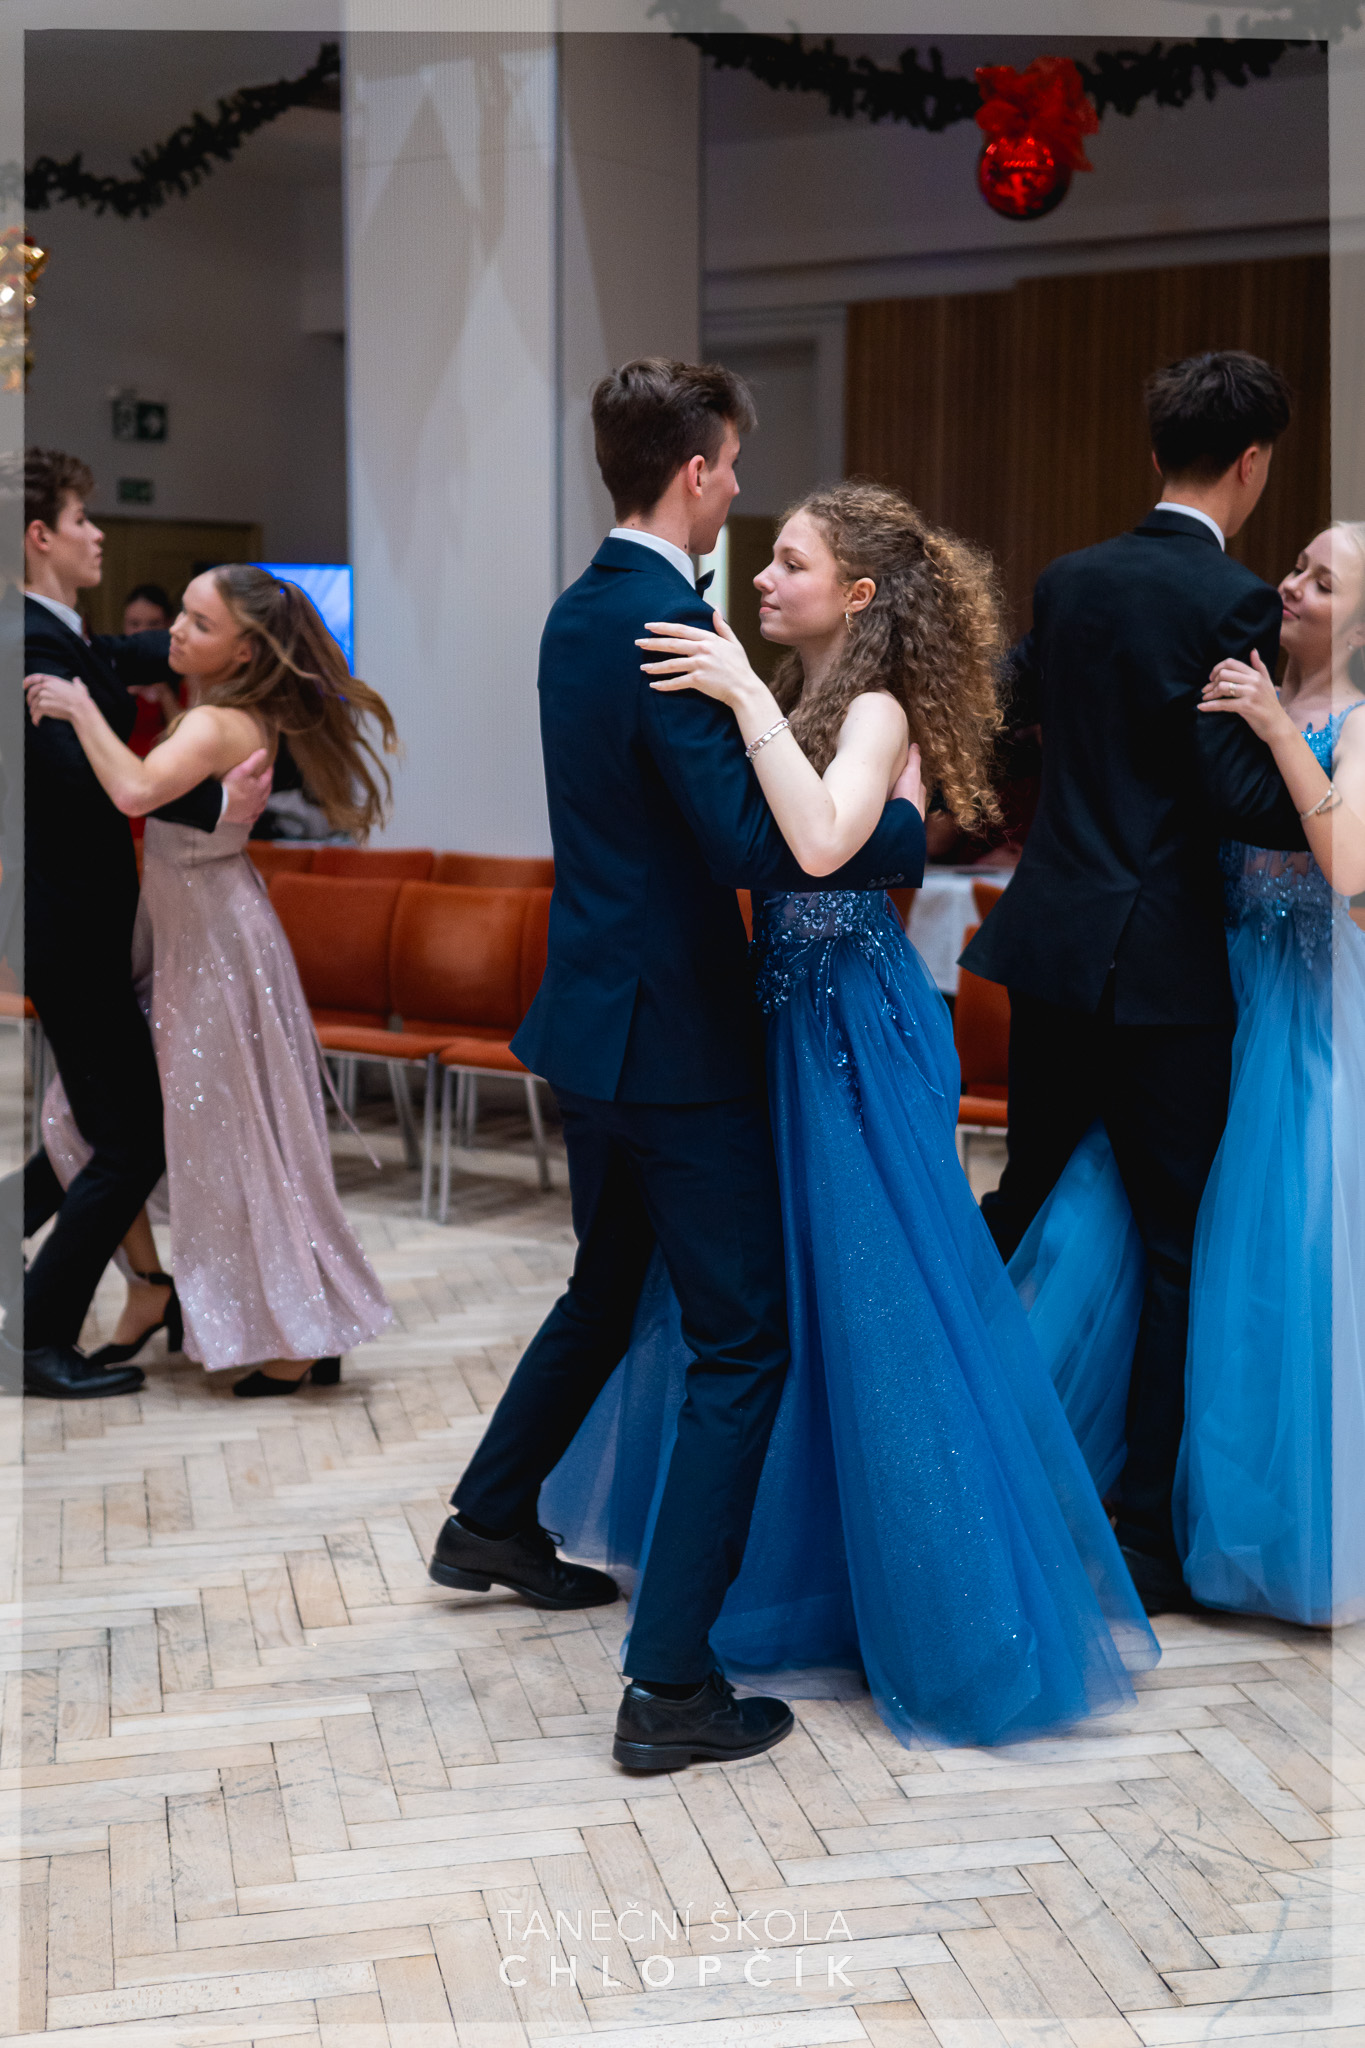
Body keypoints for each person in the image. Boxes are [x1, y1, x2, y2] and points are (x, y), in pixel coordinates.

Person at [540, 480, 1157, 1752]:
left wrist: (741, 694)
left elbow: (822, 845)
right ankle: (814, 1577)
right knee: (800, 1308)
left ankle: (947, 1606)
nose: (762, 580)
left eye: (791, 563)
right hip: (781, 1016)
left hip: (853, 1026)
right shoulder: (804, 694)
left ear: (858, 593)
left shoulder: (872, 708)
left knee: (884, 1298)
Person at [425, 360, 927, 1773]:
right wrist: (903, 831)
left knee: (607, 1284)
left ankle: (491, 1515)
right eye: (736, 468)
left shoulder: (576, 609)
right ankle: (669, 1684)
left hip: (592, 1018)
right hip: (675, 1038)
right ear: (699, 470)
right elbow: (755, 846)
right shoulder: (668, 623)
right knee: (743, 1339)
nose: (741, 493)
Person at [960, 352, 1308, 1616]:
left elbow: (1011, 722)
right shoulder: (1233, 599)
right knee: (1174, 1248)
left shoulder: (1072, 579)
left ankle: (940, 1444)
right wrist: (1301, 754)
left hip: (1051, 947)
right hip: (1163, 971)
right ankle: (1147, 1537)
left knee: (1025, 1195)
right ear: (1253, 462)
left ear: (1155, 448)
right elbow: (1235, 795)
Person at [1011, 523, 1365, 1626]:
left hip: (1296, 1018)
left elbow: (1351, 871)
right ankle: (1103, 1496)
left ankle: (1250, 1523)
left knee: (1275, 1260)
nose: (1290, 586)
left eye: (1322, 581)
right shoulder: (1231, 684)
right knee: (1109, 1229)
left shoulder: (1350, 720)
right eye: (1295, 566)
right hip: (1201, 995)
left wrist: (1275, 726)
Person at [25, 564, 395, 1393]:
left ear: (243, 649)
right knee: (139, 1124)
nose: (175, 634)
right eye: (181, 616)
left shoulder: (215, 722)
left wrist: (79, 706)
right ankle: (181, 1295)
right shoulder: (222, 713)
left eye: (197, 623)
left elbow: (133, 791)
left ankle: (292, 1334)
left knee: (233, 1139)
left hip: (212, 948)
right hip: (199, 936)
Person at [14, 449, 272, 1400]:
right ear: (40, 536)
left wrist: (247, 643)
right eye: (82, 519)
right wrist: (219, 809)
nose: (97, 533)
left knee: (92, 1132)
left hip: (84, 925)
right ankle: (37, 1340)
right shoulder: (29, 647)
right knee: (128, 1141)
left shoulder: (62, 637)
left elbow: (146, 655)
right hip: (69, 928)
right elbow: (85, 785)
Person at [121, 584, 184, 759]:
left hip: (168, 763)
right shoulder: (110, 667)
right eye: (134, 624)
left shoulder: (185, 668)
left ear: (169, 624)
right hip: (121, 763)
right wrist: (122, 694)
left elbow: (189, 738)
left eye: (153, 624)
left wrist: (164, 693)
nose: (143, 632)